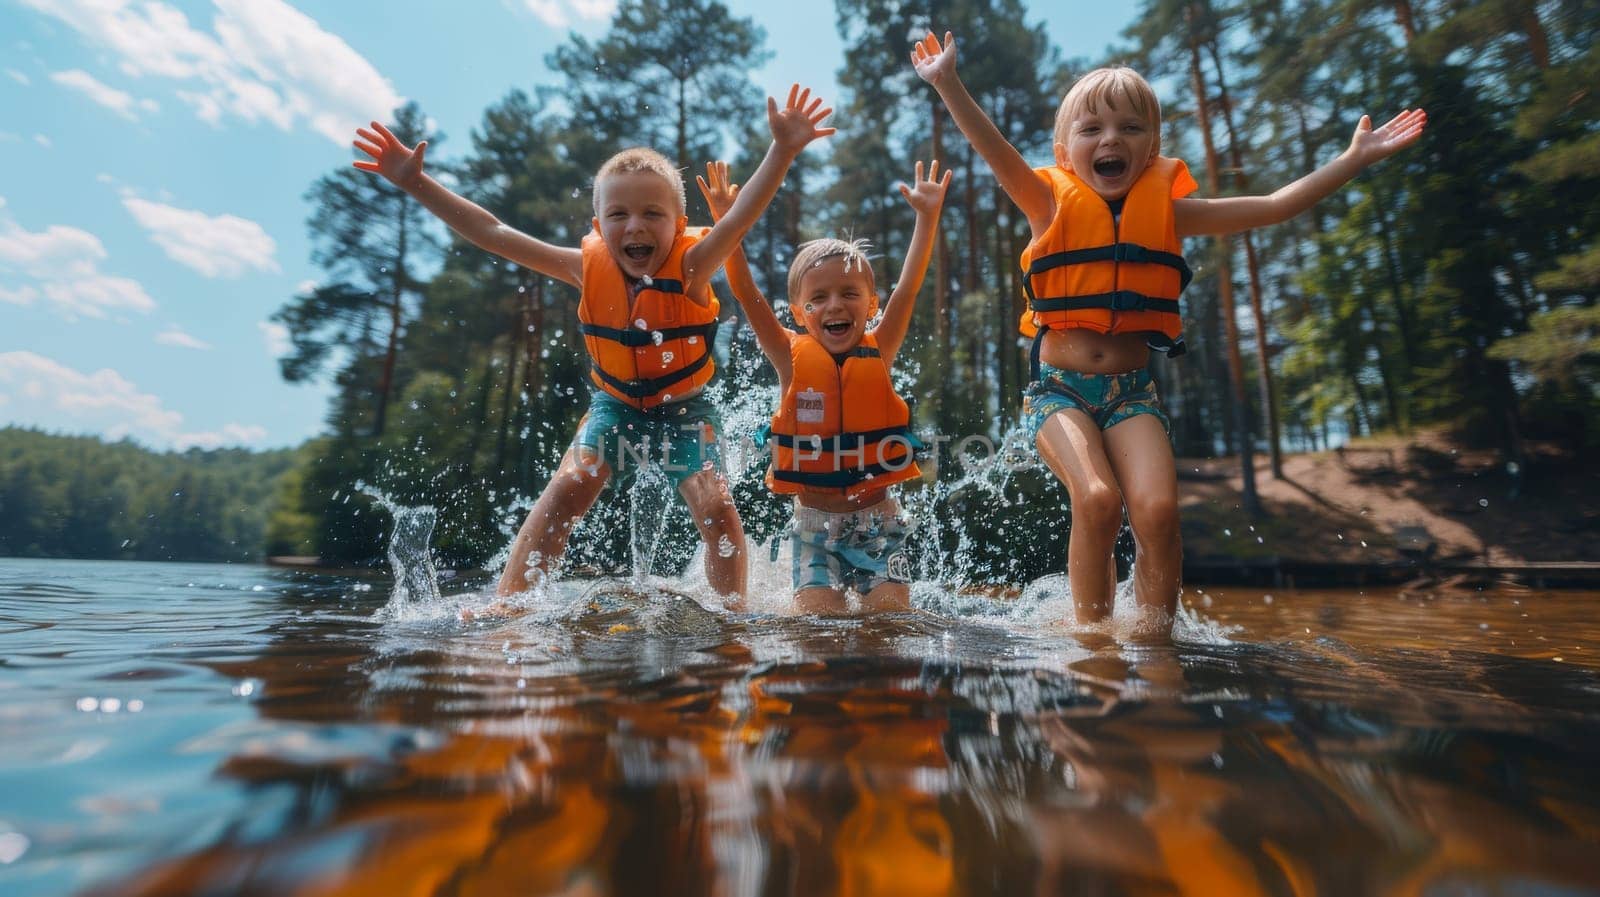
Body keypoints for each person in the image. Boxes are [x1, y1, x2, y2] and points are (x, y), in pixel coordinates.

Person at [911, 32, 1426, 628]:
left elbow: (1275, 205)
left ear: (1152, 148)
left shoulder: (1172, 214)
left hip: (1132, 394)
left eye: (1131, 128)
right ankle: (1092, 641)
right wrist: (948, 81)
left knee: (1157, 512)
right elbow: (992, 146)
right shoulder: (1045, 203)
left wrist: (1351, 159)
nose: (1112, 139)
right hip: (1058, 392)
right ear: (1064, 148)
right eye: (1093, 129)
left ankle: (1156, 645)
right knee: (1099, 499)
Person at [352, 85, 837, 608]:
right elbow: (492, 231)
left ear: (678, 226)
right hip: (615, 408)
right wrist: (417, 182)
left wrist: (782, 150)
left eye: (652, 214)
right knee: (566, 491)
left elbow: (740, 215)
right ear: (598, 226)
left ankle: (731, 618)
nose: (635, 226)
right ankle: (508, 608)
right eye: (619, 215)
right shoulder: (585, 268)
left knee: (716, 507)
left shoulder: (694, 267)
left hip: (686, 412)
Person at [695, 158, 951, 613]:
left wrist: (926, 218)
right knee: (817, 625)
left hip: (880, 524)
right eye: (819, 298)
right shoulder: (789, 357)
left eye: (849, 294)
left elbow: (909, 288)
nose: (835, 305)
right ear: (799, 312)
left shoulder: (881, 346)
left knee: (890, 622)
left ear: (871, 304)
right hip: (812, 528)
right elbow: (747, 294)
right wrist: (726, 223)